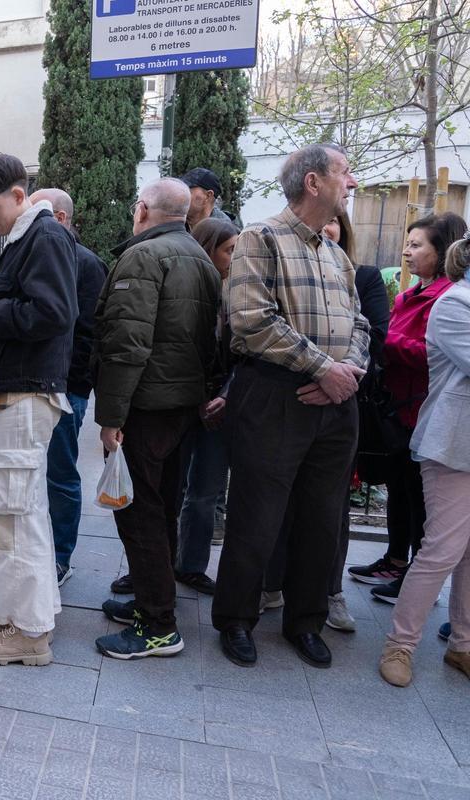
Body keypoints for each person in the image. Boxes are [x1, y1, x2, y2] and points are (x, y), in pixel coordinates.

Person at [212, 143, 368, 669]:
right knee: (257, 516)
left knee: (322, 520)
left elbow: (361, 325)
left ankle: (305, 622)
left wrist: (346, 374)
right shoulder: (261, 239)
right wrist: (323, 368)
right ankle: (235, 620)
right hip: (275, 395)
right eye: (344, 173)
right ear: (313, 182)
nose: (352, 182)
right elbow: (252, 322)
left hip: (335, 401)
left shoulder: (338, 256)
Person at [88, 179, 221, 659]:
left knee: (139, 514)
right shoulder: (200, 257)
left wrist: (111, 416)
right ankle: (152, 602)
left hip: (146, 408)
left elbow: (127, 345)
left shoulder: (144, 257)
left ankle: (159, 626)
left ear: (141, 208)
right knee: (161, 510)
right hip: (181, 406)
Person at [0, 153, 76, 665]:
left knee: (14, 515)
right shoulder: (31, 237)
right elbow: (34, 303)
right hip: (20, 395)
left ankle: (27, 634)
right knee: (24, 512)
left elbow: (52, 312)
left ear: (20, 196)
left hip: (22, 396)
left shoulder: (42, 236)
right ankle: (30, 614)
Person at [262, 211, 391, 632]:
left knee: (328, 512)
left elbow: (369, 330)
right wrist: (322, 371)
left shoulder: (361, 273)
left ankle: (326, 594)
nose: (329, 228)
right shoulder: (278, 255)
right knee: (279, 503)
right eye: (325, 221)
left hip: (344, 399)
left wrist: (342, 377)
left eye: (337, 222)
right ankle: (272, 584)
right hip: (289, 394)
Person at [348, 213, 465, 603]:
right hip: (396, 409)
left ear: (444, 250)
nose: (406, 251)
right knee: (400, 489)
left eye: (417, 245)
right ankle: (395, 559)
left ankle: (415, 576)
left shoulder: (448, 299)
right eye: (407, 243)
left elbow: (435, 354)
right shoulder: (410, 293)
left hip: (422, 411)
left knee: (419, 499)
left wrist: (388, 342)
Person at [379, 235, 470, 686]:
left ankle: (463, 646)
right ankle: (400, 645)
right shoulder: (455, 303)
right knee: (441, 550)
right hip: (453, 445)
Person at [28, 187, 108, 585]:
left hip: (64, 389)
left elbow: (89, 333)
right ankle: (32, 548)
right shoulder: (37, 253)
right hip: (32, 386)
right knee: (31, 474)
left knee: (59, 475)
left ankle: (60, 555)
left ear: (60, 218)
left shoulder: (86, 264)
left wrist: (70, 387)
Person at [170, 217, 240, 597]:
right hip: (182, 402)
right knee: (170, 488)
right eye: (229, 250)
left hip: (219, 405)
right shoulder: (185, 285)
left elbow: (242, 354)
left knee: (205, 492)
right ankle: (155, 564)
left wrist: (225, 395)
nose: (234, 258)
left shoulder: (239, 292)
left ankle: (191, 565)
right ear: (208, 248)